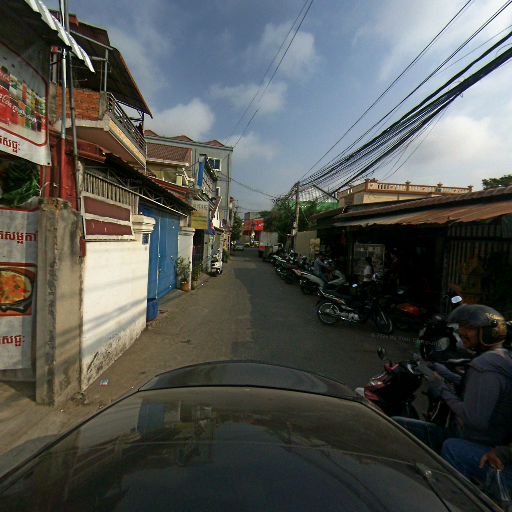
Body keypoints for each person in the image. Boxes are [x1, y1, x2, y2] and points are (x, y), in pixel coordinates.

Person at [395, 304, 512, 455]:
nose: (461, 332)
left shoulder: (485, 365)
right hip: (482, 437)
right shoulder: (501, 356)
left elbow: (473, 419)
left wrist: (442, 389)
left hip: (470, 439)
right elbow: (475, 388)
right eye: (462, 327)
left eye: (469, 328)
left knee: (397, 426)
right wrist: (445, 372)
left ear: (489, 332)